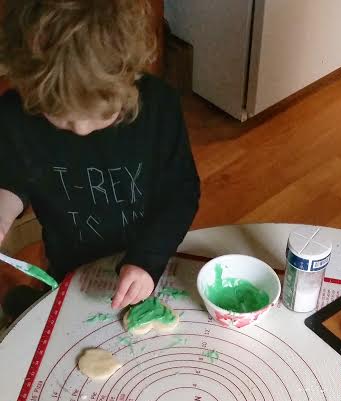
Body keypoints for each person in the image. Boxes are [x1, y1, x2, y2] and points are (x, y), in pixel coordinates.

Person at [0, 0, 200, 319]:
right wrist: (3, 208)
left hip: (149, 257)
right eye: (59, 117)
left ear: (128, 75)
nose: (80, 130)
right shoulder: (15, 115)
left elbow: (181, 193)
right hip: (69, 265)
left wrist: (147, 261)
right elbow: (12, 174)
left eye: (103, 114)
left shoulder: (159, 107)